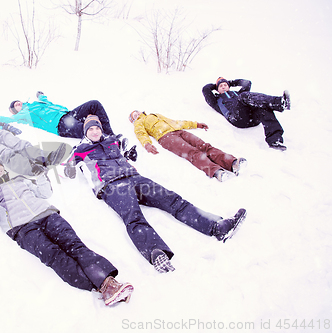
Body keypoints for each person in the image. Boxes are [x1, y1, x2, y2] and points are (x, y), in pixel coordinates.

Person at [64, 115, 247, 273]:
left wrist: (131, 153)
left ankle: (217, 227)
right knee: (133, 216)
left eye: (97, 128)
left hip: (135, 178)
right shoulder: (79, 150)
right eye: (91, 129)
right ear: (85, 132)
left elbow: (127, 149)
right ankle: (155, 252)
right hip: (111, 186)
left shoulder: (112, 141)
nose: (95, 132)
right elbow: (67, 169)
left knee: (173, 200)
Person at [0, 154, 134, 306]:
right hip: (23, 228)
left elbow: (45, 192)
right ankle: (101, 286)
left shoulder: (20, 180)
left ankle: (108, 283)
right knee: (53, 255)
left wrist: (41, 175)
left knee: (74, 245)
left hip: (47, 215)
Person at [128, 110, 247, 182]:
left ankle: (232, 163)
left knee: (204, 146)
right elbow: (140, 134)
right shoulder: (139, 122)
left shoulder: (155, 115)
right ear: (133, 120)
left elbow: (175, 122)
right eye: (134, 115)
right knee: (192, 152)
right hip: (166, 138)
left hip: (179, 131)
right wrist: (147, 144)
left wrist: (196, 124)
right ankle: (216, 171)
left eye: (136, 112)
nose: (136, 114)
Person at [202, 77, 291, 151]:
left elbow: (247, 83)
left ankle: (275, 140)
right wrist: (215, 85)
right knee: (244, 95)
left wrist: (230, 82)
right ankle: (279, 103)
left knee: (262, 107)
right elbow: (205, 89)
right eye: (221, 86)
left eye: (225, 85)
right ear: (217, 89)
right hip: (236, 118)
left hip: (252, 118)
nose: (223, 86)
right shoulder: (215, 100)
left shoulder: (237, 93)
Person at [0, 91, 116, 139]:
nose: (18, 103)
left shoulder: (35, 104)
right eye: (15, 105)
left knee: (94, 104)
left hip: (69, 114)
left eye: (18, 102)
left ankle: (110, 135)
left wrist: (40, 96)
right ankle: (108, 141)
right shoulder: (23, 115)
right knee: (87, 129)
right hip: (59, 125)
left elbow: (47, 102)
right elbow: (6, 119)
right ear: (15, 111)